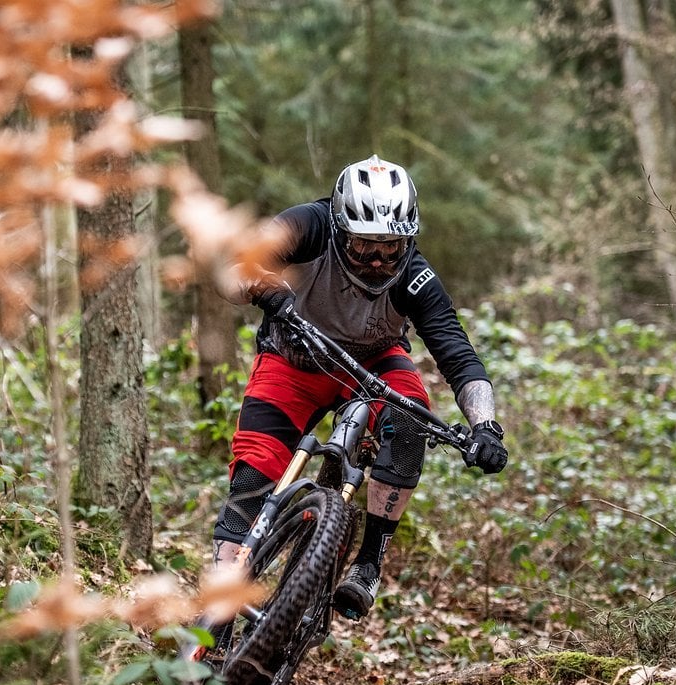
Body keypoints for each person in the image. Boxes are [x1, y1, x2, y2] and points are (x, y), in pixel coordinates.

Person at [214, 154, 508, 621]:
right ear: (338, 227)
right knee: (254, 471)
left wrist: (486, 426)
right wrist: (260, 285)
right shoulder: (304, 226)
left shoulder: (415, 276)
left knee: (410, 416)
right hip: (294, 358)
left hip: (371, 366)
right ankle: (218, 606)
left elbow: (457, 353)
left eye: (390, 247)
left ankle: (368, 561)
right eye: (364, 245)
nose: (376, 259)